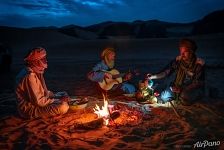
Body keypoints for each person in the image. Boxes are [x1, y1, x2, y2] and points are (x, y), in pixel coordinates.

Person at [15, 47, 69, 119]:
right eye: (43, 59)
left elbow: (41, 92)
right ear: (36, 61)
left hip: (38, 102)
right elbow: (38, 102)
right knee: (63, 107)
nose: (46, 61)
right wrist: (58, 100)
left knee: (63, 93)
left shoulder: (34, 70)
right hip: (30, 109)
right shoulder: (29, 76)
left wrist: (56, 96)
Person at [147, 38, 205, 105]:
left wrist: (183, 88)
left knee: (184, 96)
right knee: (164, 96)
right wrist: (152, 76)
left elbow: (198, 83)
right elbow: (166, 72)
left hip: (191, 89)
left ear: (191, 52)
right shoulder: (178, 61)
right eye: (181, 51)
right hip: (178, 87)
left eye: (185, 52)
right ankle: (176, 98)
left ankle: (182, 99)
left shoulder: (198, 64)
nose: (182, 54)